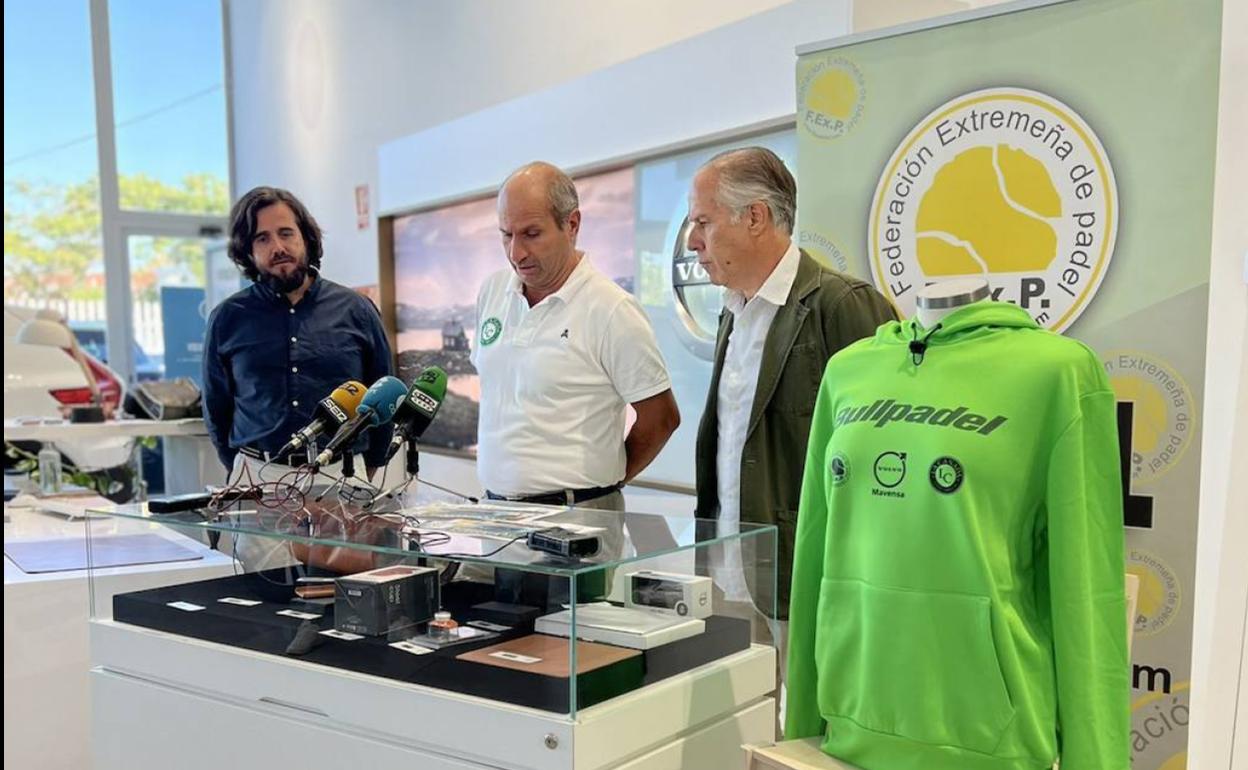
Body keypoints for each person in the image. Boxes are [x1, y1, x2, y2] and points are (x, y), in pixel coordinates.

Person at [689, 147, 896, 678]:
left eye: (703, 223)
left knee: (805, 740)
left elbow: (885, 456)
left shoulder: (842, 305)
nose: (693, 242)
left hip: (806, 576)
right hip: (730, 572)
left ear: (754, 217)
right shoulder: (732, 312)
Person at [472, 162, 680, 511]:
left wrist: (602, 486)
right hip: (495, 513)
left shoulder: (611, 309)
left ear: (572, 225)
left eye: (532, 234)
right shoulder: (492, 292)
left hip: (577, 518)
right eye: (506, 234)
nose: (516, 253)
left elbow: (661, 418)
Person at [203, 186, 394, 483]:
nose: (277, 247)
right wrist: (240, 467)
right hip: (256, 475)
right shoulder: (227, 318)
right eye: (262, 238)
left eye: (286, 233)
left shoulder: (357, 309)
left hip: (339, 473)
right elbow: (216, 408)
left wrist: (369, 466)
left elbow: (383, 394)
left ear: (305, 237)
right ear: (248, 252)